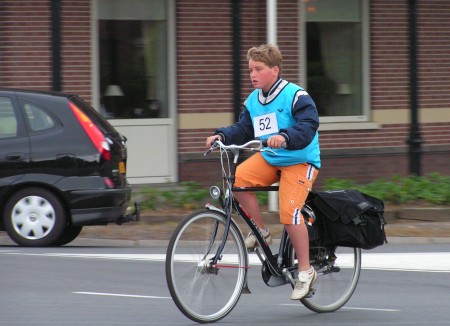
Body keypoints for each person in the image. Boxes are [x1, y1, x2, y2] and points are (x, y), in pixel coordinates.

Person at [205, 44, 321, 300]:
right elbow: (244, 129)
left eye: (258, 69)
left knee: (289, 212)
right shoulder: (253, 101)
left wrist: (285, 136)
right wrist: (222, 135)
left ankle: (305, 271)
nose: (252, 74)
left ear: (275, 70)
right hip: (271, 158)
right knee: (238, 181)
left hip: (300, 160)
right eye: (250, 70)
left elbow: (309, 125)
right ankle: (260, 231)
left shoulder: (295, 95)